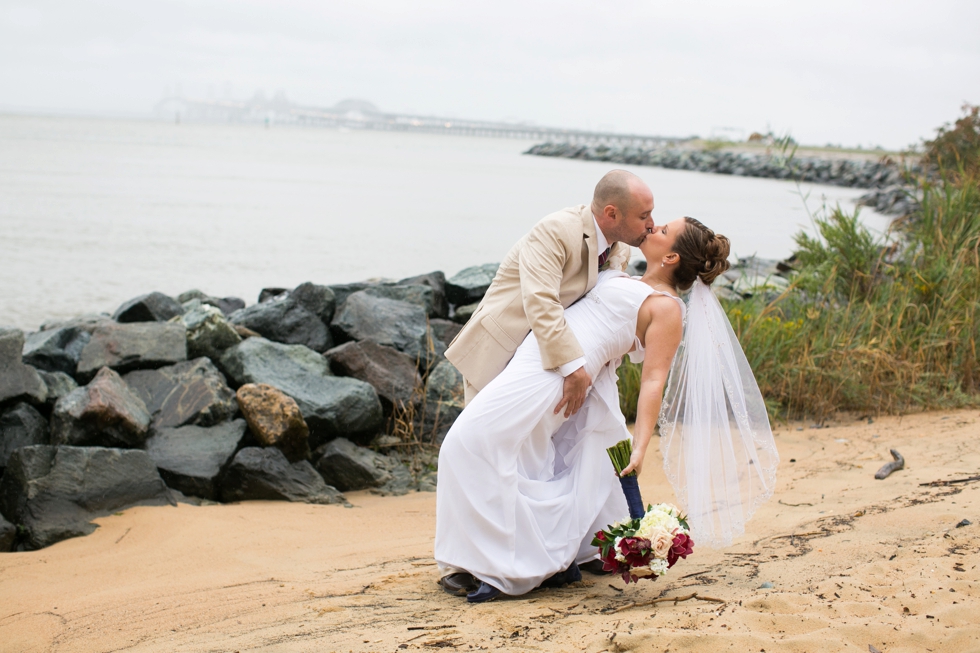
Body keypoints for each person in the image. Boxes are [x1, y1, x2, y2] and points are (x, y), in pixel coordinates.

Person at [435, 216, 778, 603]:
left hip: (557, 378)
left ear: (671, 257)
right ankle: (511, 559)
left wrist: (640, 445)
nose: (654, 228)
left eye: (663, 231)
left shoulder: (667, 308)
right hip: (534, 361)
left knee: (466, 444)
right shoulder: (621, 270)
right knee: (524, 461)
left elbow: (653, 381)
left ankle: (505, 565)